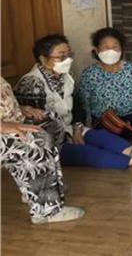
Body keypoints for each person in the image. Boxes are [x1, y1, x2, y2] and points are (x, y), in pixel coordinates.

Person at [14, 35, 132, 170]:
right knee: (89, 153)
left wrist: (78, 128)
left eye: (69, 54)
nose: (67, 60)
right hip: (48, 141)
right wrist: (68, 137)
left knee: (100, 137)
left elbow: (77, 106)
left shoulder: (65, 76)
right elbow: (37, 124)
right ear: (43, 59)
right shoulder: (32, 83)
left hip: (68, 129)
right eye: (61, 56)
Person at [1, 77, 85, 224]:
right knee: (36, 141)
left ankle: (36, 190)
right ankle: (46, 211)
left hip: (10, 120)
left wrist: (20, 109)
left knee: (52, 123)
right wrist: (3, 126)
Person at [79, 27, 132, 138]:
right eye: (106, 47)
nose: (111, 51)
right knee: (102, 135)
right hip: (103, 121)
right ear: (96, 50)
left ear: (121, 49)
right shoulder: (89, 74)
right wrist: (87, 127)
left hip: (129, 117)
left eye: (115, 47)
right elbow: (84, 104)